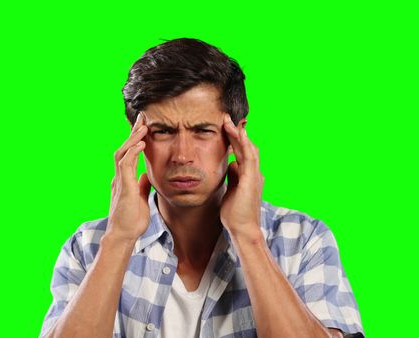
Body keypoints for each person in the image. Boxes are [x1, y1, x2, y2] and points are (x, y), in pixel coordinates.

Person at [39, 38, 364, 338]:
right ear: (135, 139)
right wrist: (119, 239)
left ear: (237, 135)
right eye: (163, 131)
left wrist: (248, 235)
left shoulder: (302, 239)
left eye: (202, 131)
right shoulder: (88, 246)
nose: (182, 155)